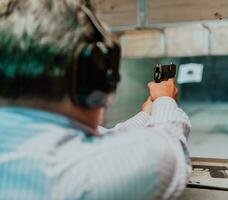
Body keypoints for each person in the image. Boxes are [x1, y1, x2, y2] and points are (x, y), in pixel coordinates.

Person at [0, 0, 191, 200]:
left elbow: (103, 138)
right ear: (95, 79)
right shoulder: (84, 175)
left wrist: (146, 113)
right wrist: (164, 100)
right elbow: (168, 151)